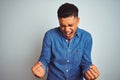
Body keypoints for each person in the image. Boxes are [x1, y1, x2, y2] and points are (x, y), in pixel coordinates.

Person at [32, 3, 100, 80]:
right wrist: (41, 67)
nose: (67, 30)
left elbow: (85, 62)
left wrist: (89, 71)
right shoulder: (50, 35)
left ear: (78, 21)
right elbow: (44, 58)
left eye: (70, 25)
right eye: (63, 26)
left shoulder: (86, 37)